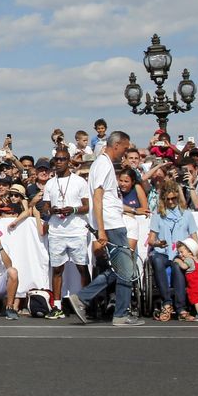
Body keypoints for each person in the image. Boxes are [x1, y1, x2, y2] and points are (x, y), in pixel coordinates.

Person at [67, 131, 143, 326]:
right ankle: (120, 314)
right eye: (125, 149)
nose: (125, 154)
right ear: (116, 145)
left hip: (112, 221)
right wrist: (100, 229)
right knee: (126, 269)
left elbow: (109, 198)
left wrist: (132, 210)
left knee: (121, 268)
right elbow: (98, 197)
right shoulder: (102, 164)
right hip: (111, 224)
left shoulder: (105, 164)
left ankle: (83, 297)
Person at [39, 154, 90, 320]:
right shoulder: (50, 183)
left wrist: (73, 210)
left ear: (68, 161)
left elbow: (87, 206)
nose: (59, 162)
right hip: (57, 231)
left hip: (76, 230)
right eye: (57, 160)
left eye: (62, 159)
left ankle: (87, 303)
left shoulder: (79, 181)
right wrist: (50, 210)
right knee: (57, 269)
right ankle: (57, 306)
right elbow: (45, 207)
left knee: (82, 267)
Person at [145, 182, 197, 322]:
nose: (171, 202)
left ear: (177, 197)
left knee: (177, 265)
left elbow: (195, 239)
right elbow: (151, 240)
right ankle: (167, 303)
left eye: (173, 198)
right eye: (167, 199)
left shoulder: (186, 214)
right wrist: (158, 243)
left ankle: (181, 308)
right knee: (157, 260)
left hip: (179, 253)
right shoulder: (158, 215)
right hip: (162, 251)